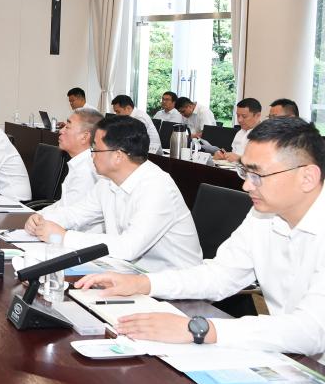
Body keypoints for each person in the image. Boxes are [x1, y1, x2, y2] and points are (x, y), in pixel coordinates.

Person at [75, 117, 325, 358]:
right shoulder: (263, 216)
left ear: (307, 178)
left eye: (257, 175)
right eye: (245, 172)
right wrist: (142, 283)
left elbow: (313, 330)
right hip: (289, 354)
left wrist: (200, 329)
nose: (247, 186)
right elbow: (220, 275)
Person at [25, 115, 202, 273]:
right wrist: (41, 218)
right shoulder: (107, 181)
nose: (91, 155)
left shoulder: (157, 187)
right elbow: (77, 213)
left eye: (95, 149)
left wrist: (65, 237)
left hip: (172, 284)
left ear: (118, 156)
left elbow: (128, 247)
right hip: (127, 271)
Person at [41, 107, 103, 233]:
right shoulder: (79, 163)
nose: (61, 131)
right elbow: (63, 204)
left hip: (79, 236)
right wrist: (36, 215)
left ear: (84, 137)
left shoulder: (87, 170)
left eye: (67, 127)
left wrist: (38, 218)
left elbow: (71, 218)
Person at [214, 98, 262, 162]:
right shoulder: (240, 133)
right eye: (238, 116)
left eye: (244, 116)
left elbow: (263, 163)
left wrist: (240, 159)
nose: (239, 120)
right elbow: (234, 156)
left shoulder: (266, 135)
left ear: (258, 115)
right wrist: (224, 157)